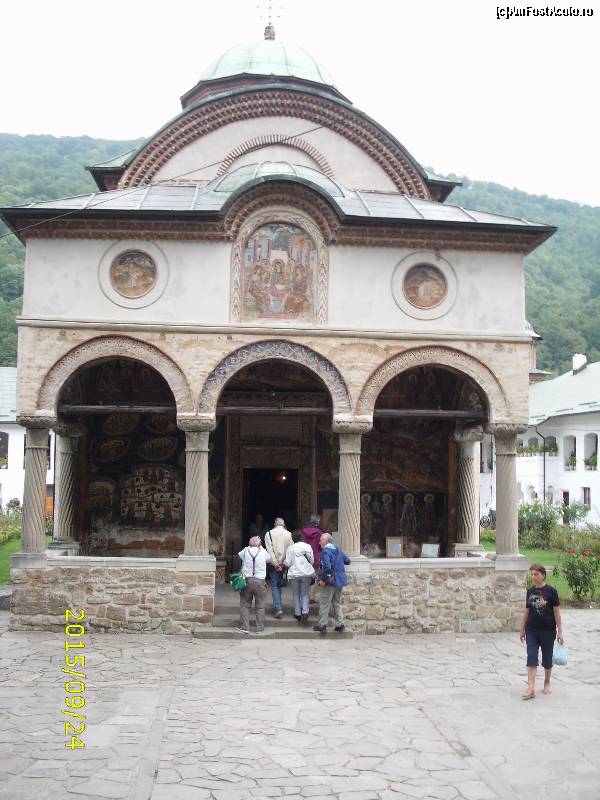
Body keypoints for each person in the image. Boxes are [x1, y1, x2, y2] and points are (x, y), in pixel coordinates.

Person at [519, 563, 564, 699]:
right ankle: (531, 687)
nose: (533, 577)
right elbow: (527, 612)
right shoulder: (530, 592)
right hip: (531, 630)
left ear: (543, 575)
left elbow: (556, 613)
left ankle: (547, 682)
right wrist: (522, 629)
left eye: (536, 574)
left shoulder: (551, 591)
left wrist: (560, 631)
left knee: (547, 658)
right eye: (532, 574)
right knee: (531, 656)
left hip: (548, 631)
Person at [313, 532, 351, 634]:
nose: (319, 542)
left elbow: (327, 567)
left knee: (325, 603)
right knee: (336, 603)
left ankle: (322, 625)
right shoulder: (337, 550)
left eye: (321, 540)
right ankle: (340, 624)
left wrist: (323, 579)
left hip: (330, 581)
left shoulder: (325, 551)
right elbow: (347, 561)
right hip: (340, 580)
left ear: (326, 541)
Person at [237, 536, 270, 634]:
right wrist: (261, 547)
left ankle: (245, 627)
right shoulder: (263, 552)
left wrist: (248, 547)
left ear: (249, 544)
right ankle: (259, 628)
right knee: (260, 606)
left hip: (247, 581)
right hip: (260, 582)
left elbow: (239, 555)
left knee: (244, 605)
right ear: (260, 544)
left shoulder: (245, 551)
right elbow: (268, 559)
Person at [264, 517, 293, 618]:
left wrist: (276, 564)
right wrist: (283, 564)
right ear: (283, 525)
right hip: (284, 565)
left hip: (274, 565)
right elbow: (290, 551)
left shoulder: (269, 534)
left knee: (275, 585)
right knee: (279, 585)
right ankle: (278, 603)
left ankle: (278, 607)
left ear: (274, 524)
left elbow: (269, 551)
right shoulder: (288, 534)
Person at [284, 530, 315, 623]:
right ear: (301, 537)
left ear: (292, 539)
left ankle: (297, 613)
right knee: (305, 593)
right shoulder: (307, 547)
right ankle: (305, 612)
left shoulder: (290, 548)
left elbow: (288, 563)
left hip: (294, 573)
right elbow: (312, 561)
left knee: (296, 594)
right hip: (306, 573)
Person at [302, 513, 323, 602]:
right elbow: (321, 545)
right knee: (315, 576)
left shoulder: (304, 531)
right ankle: (312, 596)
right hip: (316, 557)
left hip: (306, 557)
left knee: (306, 576)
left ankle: (305, 596)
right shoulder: (319, 533)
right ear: (318, 521)